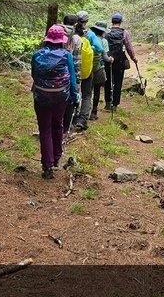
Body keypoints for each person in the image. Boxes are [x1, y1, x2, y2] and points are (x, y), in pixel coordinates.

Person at [30, 25, 77, 179]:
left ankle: (47, 165)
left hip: (41, 96)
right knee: (58, 125)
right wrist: (74, 96)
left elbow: (33, 74)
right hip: (60, 96)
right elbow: (72, 78)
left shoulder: (36, 55)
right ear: (61, 41)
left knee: (44, 129)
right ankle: (56, 158)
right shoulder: (66, 55)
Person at [102, 13, 138, 111]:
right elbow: (128, 47)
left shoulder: (106, 32)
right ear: (120, 22)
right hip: (120, 61)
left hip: (108, 60)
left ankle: (107, 103)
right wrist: (133, 57)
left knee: (107, 82)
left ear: (112, 21)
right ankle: (115, 105)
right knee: (118, 83)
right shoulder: (124, 33)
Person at [60, 13, 82, 136]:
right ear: (75, 24)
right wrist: (78, 79)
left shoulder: (54, 33)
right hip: (69, 73)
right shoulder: (76, 38)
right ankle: (65, 129)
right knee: (69, 100)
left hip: (54, 72)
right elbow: (77, 60)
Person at [86, 21, 108, 121]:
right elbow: (105, 57)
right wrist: (110, 59)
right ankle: (94, 112)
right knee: (97, 90)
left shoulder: (88, 38)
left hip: (87, 68)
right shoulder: (103, 41)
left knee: (87, 91)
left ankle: (85, 111)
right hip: (98, 68)